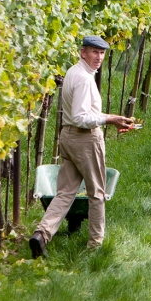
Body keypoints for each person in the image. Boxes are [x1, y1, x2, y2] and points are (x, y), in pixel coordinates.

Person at [30, 36, 135, 256]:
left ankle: (41, 234)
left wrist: (112, 118)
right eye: (94, 52)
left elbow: (81, 114)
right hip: (84, 139)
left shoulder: (73, 72)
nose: (99, 57)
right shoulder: (85, 80)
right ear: (82, 52)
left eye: (102, 53)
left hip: (67, 137)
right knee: (97, 192)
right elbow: (80, 117)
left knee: (65, 192)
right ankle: (95, 245)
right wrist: (108, 120)